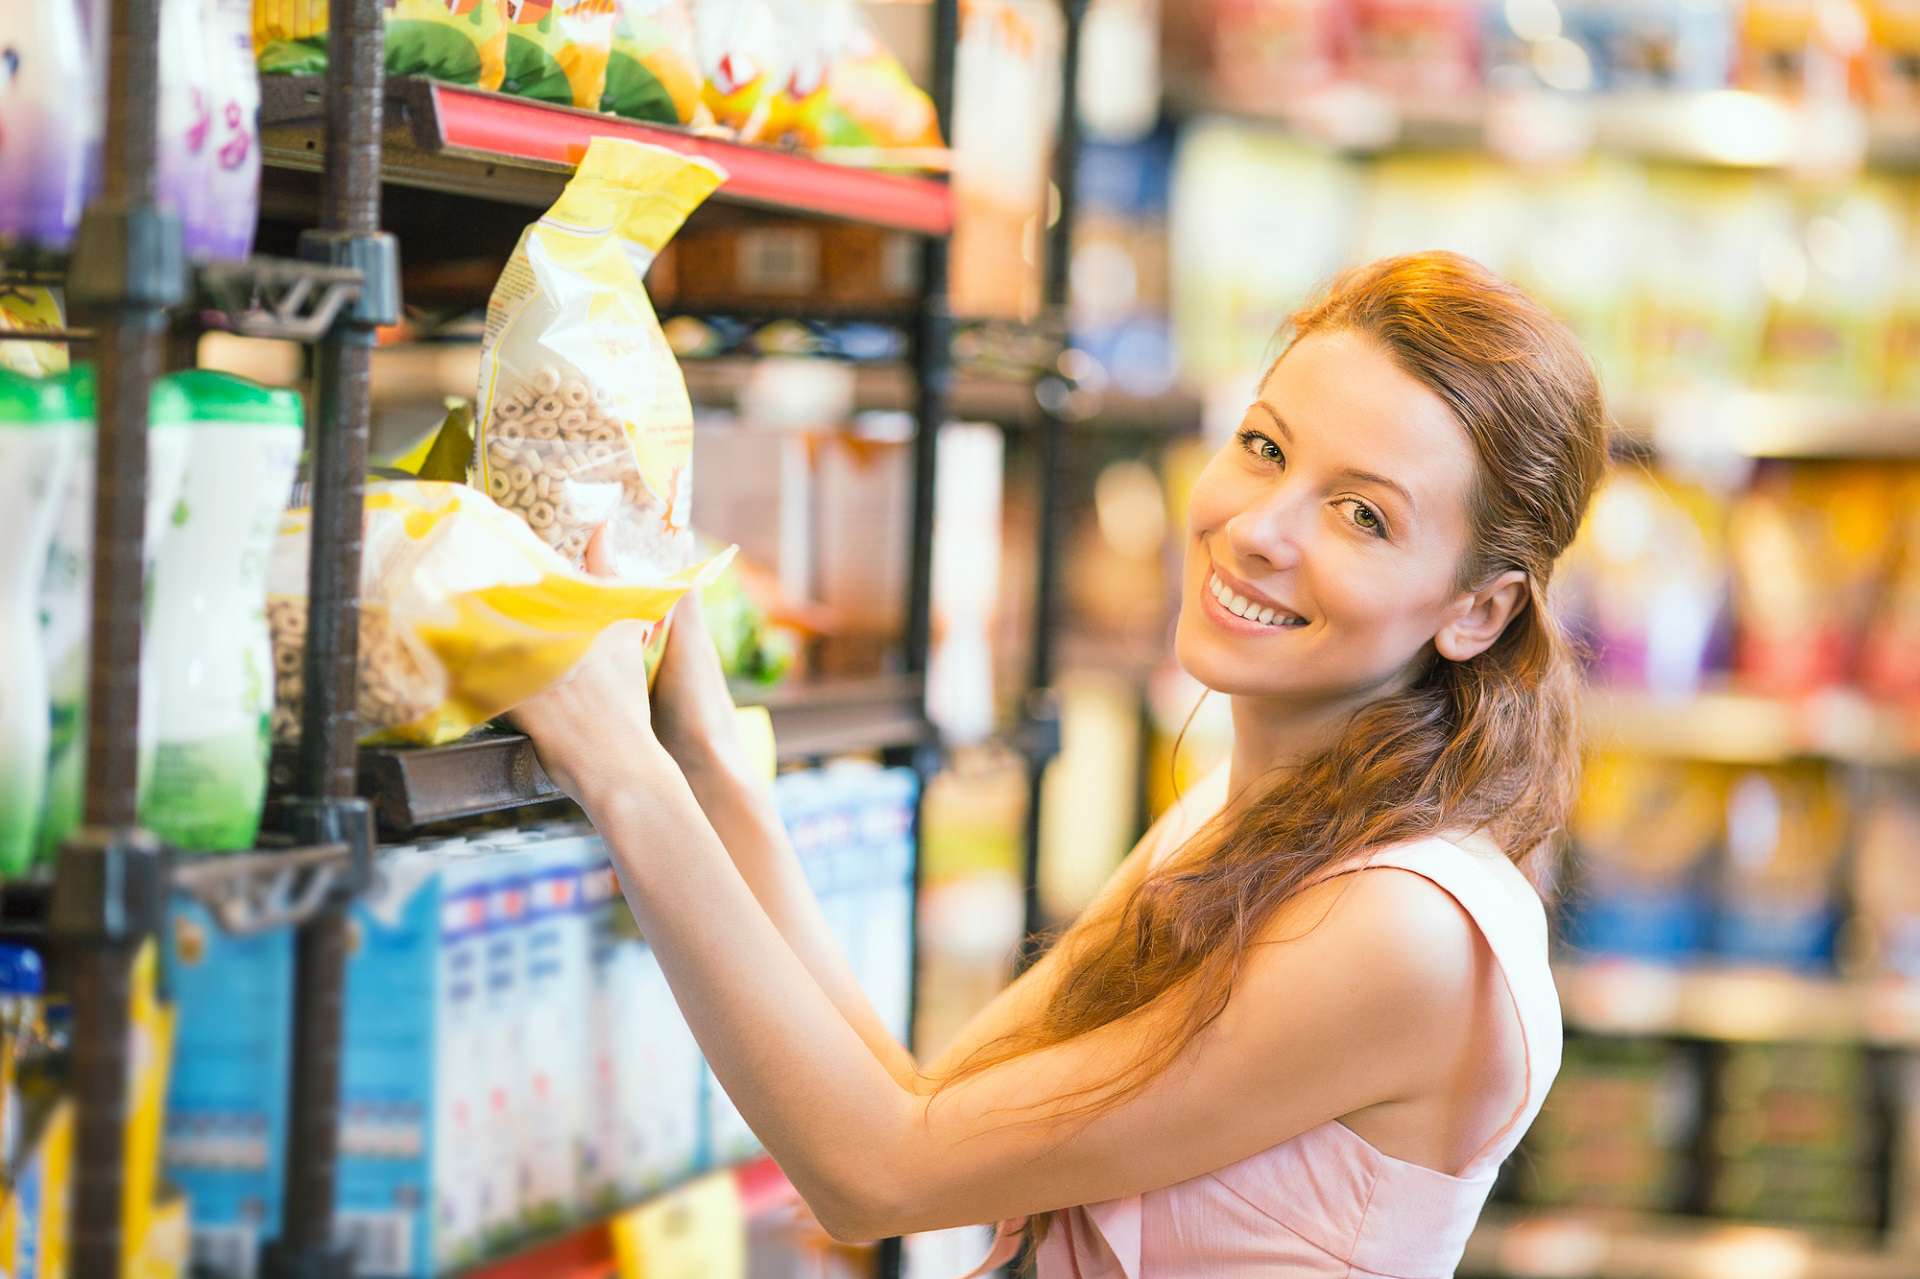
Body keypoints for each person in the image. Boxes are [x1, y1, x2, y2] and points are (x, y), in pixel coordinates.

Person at [511, 250, 1609, 1277]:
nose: (1260, 527)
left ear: (1478, 609)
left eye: (1362, 515)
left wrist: (621, 773)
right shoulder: (1240, 823)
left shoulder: (1405, 929)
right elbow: (925, 1108)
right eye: (1266, 447)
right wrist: (708, 763)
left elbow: (875, 1172)